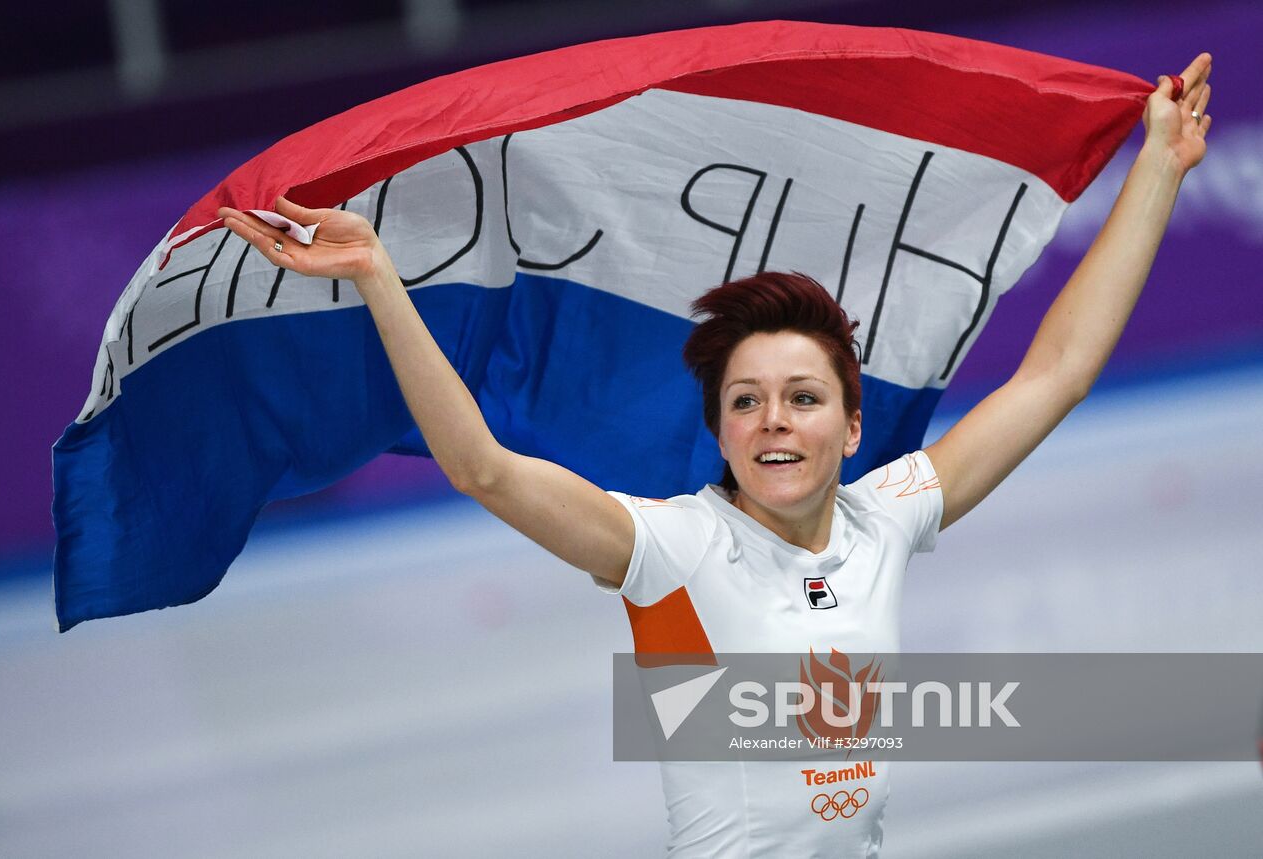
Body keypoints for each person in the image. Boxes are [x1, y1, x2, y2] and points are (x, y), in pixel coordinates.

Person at [220, 53, 1213, 859]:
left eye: (802, 397)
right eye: (746, 400)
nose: (773, 420)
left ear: (851, 428)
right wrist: (377, 278)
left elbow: (1053, 374)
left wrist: (1157, 168)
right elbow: (482, 466)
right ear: (720, 428)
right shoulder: (672, 549)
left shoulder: (885, 516)